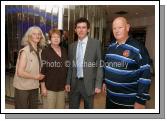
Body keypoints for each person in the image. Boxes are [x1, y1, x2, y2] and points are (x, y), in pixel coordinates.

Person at [103, 17, 151, 109]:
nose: (117, 31)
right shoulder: (110, 46)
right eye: (114, 28)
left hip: (128, 103)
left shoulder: (138, 48)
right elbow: (106, 65)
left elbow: (145, 77)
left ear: (127, 27)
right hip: (110, 99)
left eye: (120, 27)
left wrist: (140, 101)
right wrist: (104, 81)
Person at [65, 17, 103, 109]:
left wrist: (98, 84)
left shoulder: (96, 44)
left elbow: (100, 65)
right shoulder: (71, 46)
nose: (81, 30)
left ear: (88, 29)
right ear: (75, 30)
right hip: (74, 83)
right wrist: (68, 82)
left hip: (89, 83)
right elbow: (70, 66)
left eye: (83, 27)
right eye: (78, 27)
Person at [13, 26, 46, 109]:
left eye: (39, 34)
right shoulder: (25, 51)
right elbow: (20, 72)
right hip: (22, 87)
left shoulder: (40, 51)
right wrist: (35, 76)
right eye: (34, 34)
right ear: (29, 36)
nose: (37, 36)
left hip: (34, 86)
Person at [40, 28, 68, 109]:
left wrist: (67, 83)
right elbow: (42, 70)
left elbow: (66, 68)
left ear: (61, 38)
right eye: (53, 37)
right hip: (49, 87)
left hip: (62, 87)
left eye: (58, 37)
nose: (56, 39)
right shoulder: (45, 51)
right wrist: (43, 87)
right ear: (50, 38)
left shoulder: (64, 50)